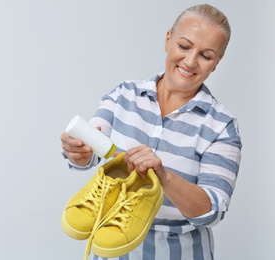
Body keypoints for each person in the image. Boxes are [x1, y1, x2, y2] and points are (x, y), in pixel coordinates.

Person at [60, 3, 242, 260]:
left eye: (206, 55)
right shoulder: (124, 94)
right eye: (184, 46)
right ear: (168, 40)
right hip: (111, 245)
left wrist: (163, 175)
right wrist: (78, 152)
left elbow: (212, 210)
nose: (190, 61)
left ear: (217, 62)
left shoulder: (221, 125)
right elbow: (92, 149)